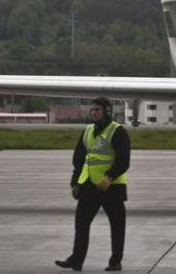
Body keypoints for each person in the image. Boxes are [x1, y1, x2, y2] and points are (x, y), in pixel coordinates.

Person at [55, 97, 129, 272]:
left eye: (98, 110)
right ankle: (76, 260)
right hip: (89, 187)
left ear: (107, 112)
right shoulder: (88, 131)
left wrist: (109, 177)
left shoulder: (118, 132)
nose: (94, 113)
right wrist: (75, 182)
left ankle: (115, 262)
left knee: (117, 227)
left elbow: (124, 161)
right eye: (92, 110)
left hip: (112, 187)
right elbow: (80, 160)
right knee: (81, 224)